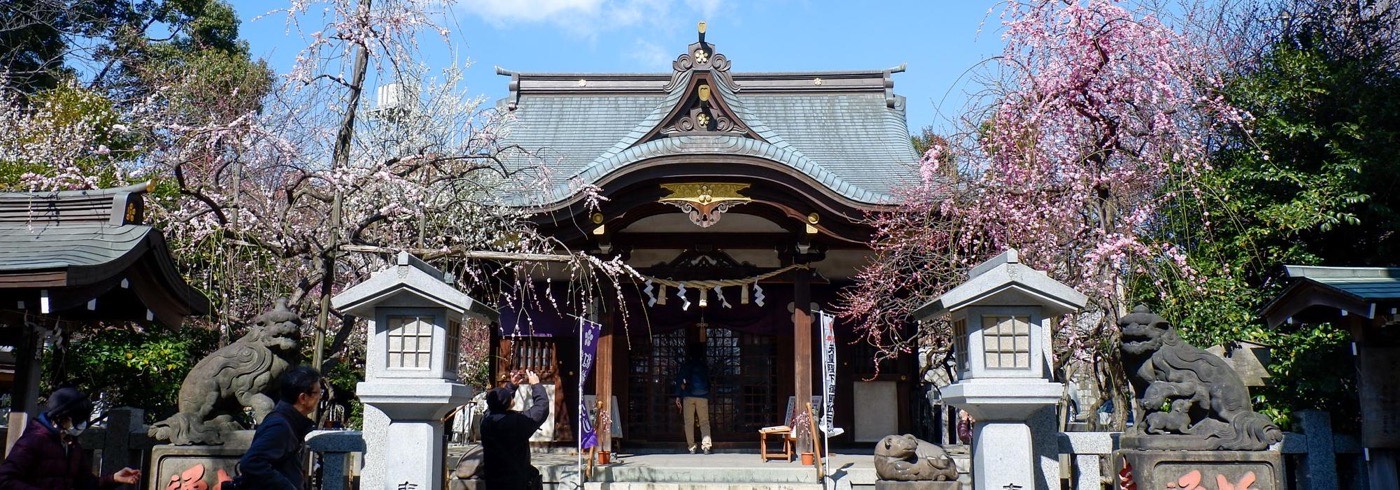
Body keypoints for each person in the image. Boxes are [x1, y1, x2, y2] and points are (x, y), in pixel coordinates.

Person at [0, 386, 142, 489]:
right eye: (77, 419)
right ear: (60, 418)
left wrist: (114, 479)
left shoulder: (72, 445)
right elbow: (5, 479)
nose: (82, 424)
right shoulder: (33, 441)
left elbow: (85, 483)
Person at [227, 366, 320, 490]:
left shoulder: (290, 422)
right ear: (303, 398)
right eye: (318, 393)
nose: (319, 397)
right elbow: (251, 462)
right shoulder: (280, 425)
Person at [481, 370, 549, 490]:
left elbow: (497, 403)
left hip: (493, 480)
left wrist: (512, 386)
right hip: (516, 481)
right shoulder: (514, 424)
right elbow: (541, 409)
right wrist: (536, 385)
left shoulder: (486, 420)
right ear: (507, 403)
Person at [673, 343, 711, 454]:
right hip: (703, 396)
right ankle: (706, 446)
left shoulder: (687, 365)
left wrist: (678, 395)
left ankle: (692, 447)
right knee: (704, 422)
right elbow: (709, 382)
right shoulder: (704, 366)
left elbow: (680, 380)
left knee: (689, 422)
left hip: (688, 395)